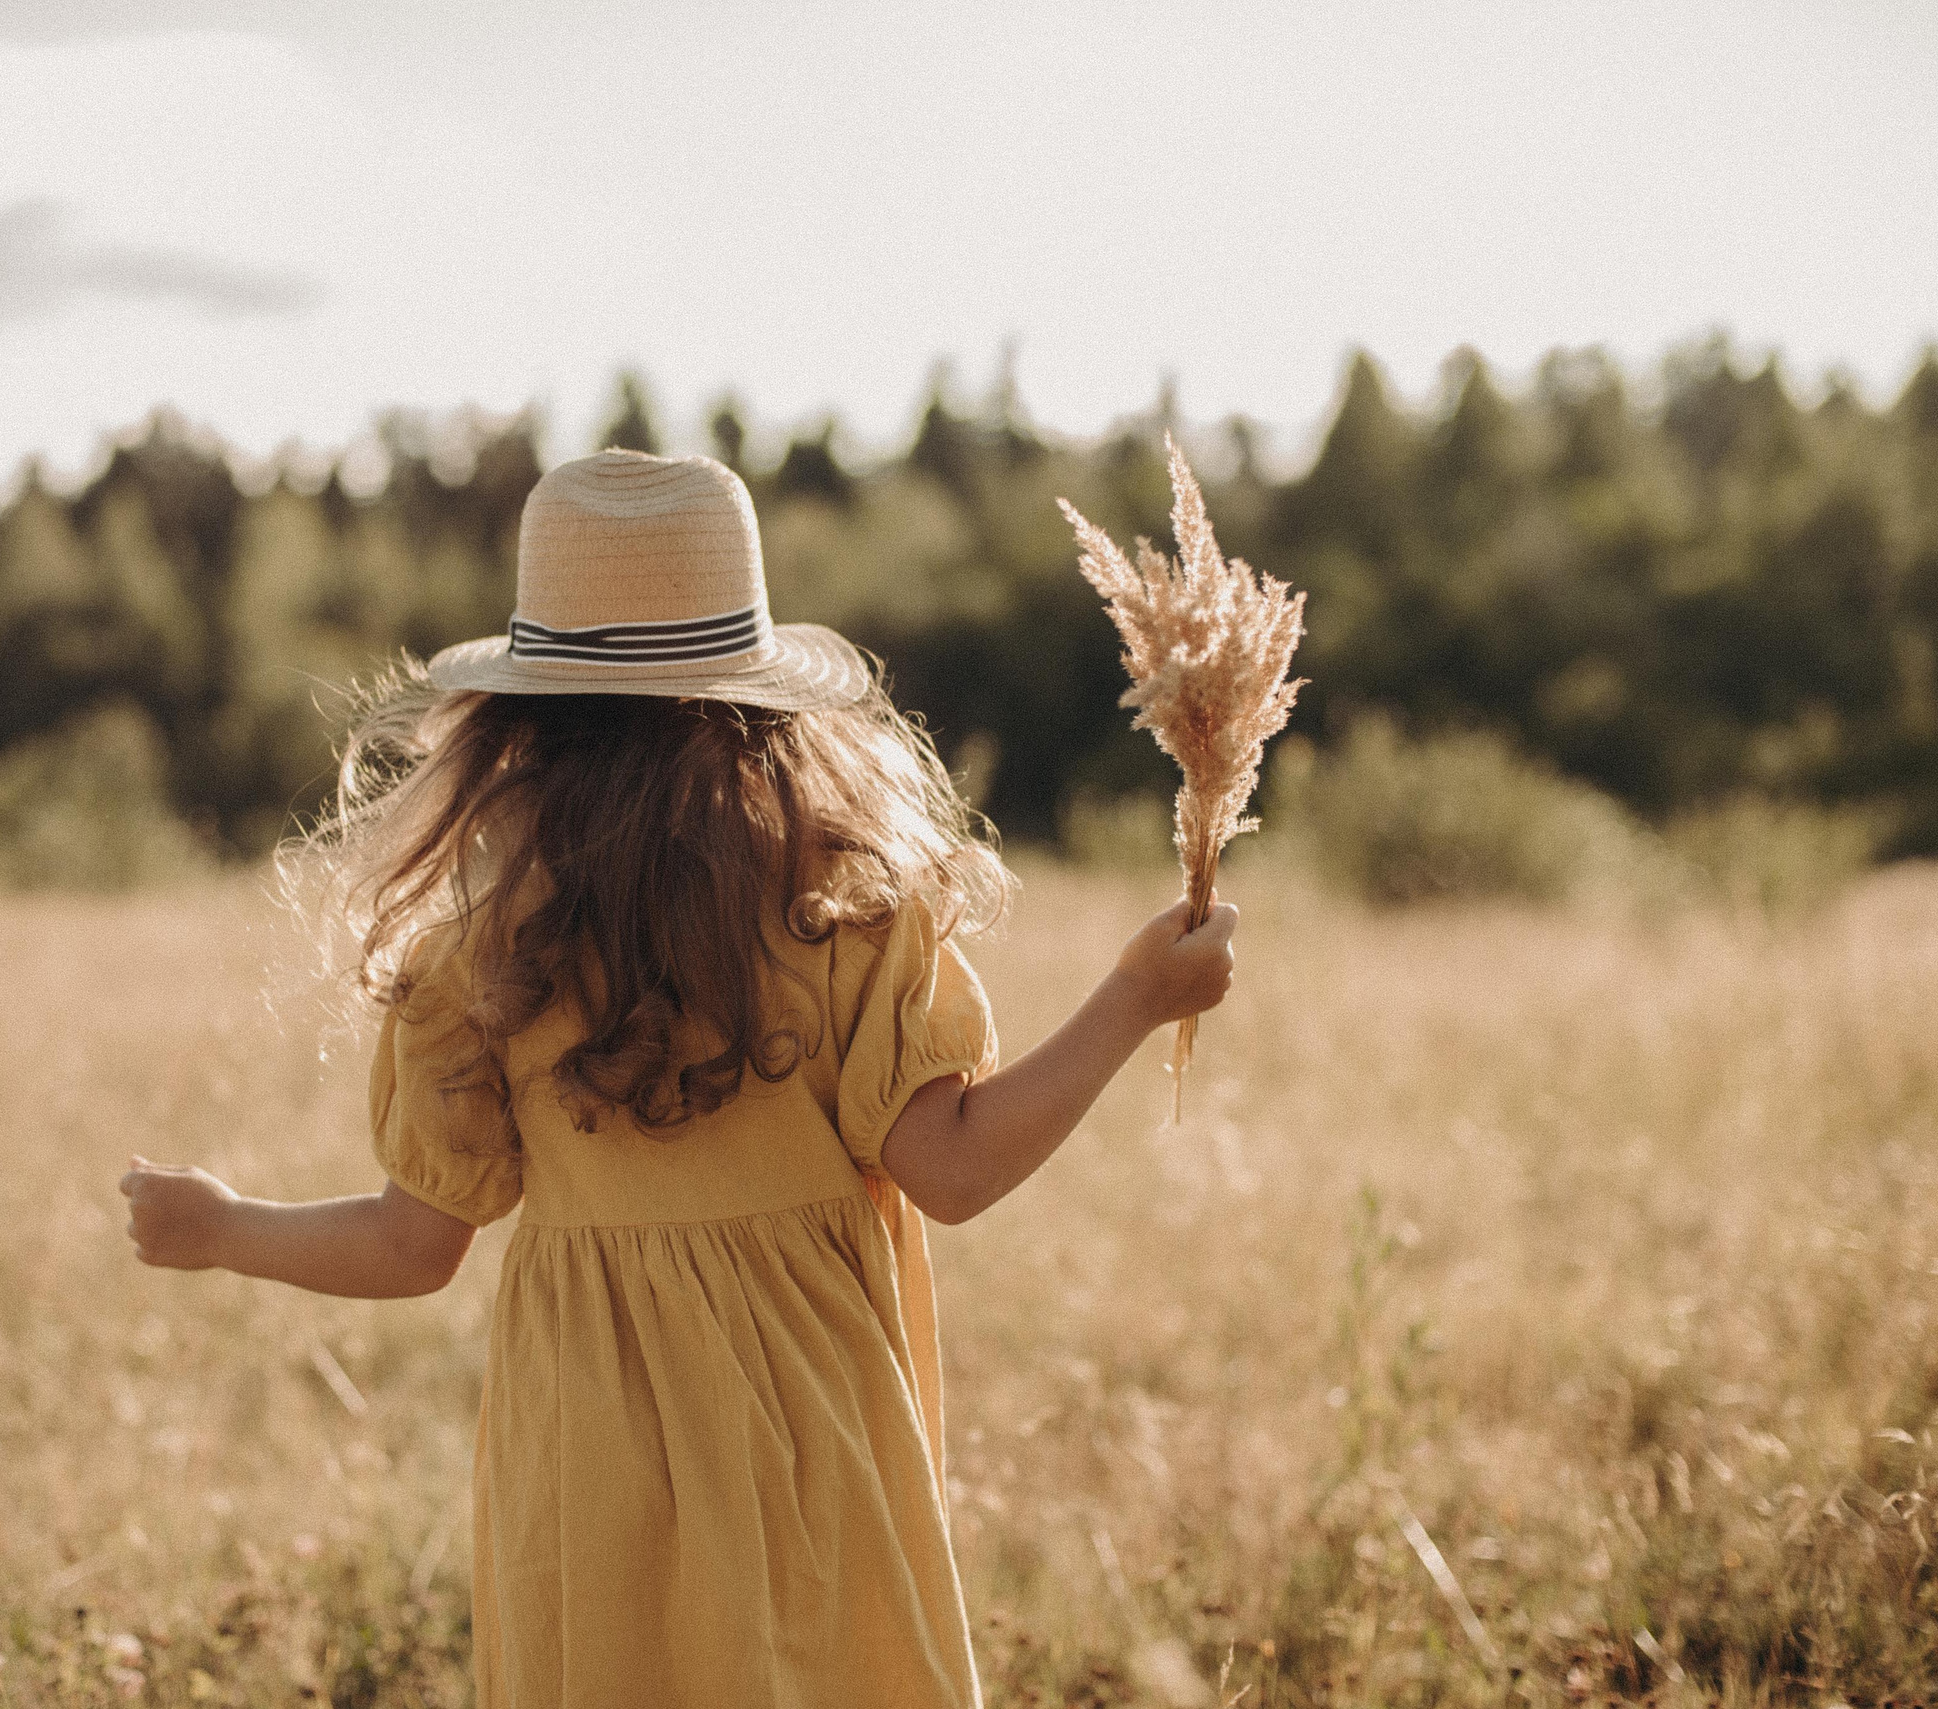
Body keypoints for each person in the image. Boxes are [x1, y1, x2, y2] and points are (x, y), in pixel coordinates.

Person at [120, 449, 1237, 1708]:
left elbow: (412, 1242)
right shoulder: (843, 913)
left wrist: (223, 1228)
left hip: (587, 1456)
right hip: (811, 1437)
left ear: (519, 726)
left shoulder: (481, 958)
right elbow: (958, 1169)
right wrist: (1133, 1000)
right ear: (765, 714)